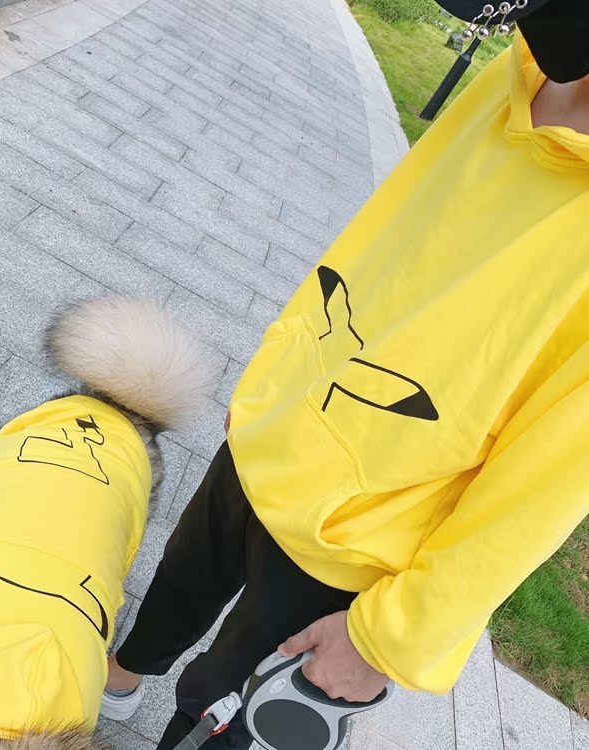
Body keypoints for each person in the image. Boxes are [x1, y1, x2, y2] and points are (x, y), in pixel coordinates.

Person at [101, 0, 589, 747]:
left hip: (359, 537)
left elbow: (541, 491)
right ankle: (121, 677)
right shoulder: (522, 69)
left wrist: (388, 639)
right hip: (285, 424)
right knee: (181, 579)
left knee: (222, 709)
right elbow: (382, 241)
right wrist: (278, 375)